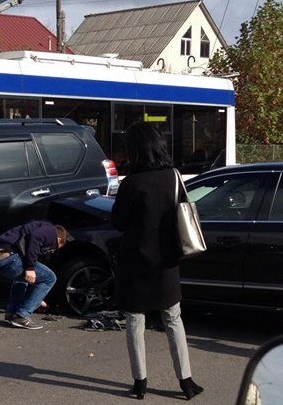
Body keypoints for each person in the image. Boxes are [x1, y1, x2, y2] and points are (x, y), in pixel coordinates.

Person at [111, 122, 203, 400]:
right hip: (167, 261)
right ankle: (186, 381)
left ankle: (140, 383)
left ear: (135, 150)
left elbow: (118, 223)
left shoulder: (131, 183)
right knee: (173, 318)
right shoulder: (173, 176)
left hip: (136, 263)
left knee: (135, 321)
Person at [0, 220, 67, 330]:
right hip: (8, 258)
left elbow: (32, 279)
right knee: (50, 278)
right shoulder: (50, 230)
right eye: (55, 247)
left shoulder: (36, 227)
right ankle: (22, 315)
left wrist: (37, 298)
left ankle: (11, 314)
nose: (51, 251)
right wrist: (30, 268)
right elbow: (35, 237)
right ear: (59, 240)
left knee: (21, 279)